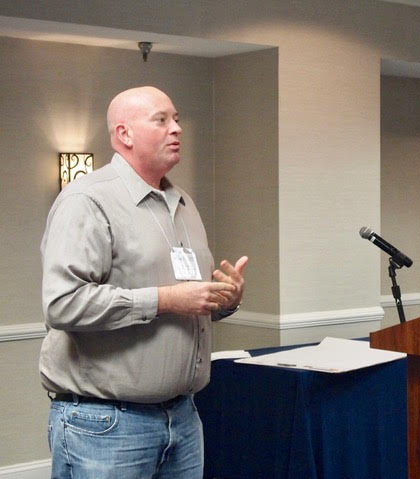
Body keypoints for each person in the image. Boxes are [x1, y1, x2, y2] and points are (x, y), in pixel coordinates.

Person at [40, 86, 248, 478]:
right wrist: (165, 299)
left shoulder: (183, 203)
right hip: (106, 425)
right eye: (161, 120)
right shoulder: (86, 201)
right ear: (124, 134)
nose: (177, 129)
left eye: (177, 119)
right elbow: (62, 304)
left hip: (183, 418)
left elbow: (185, 296)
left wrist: (223, 298)